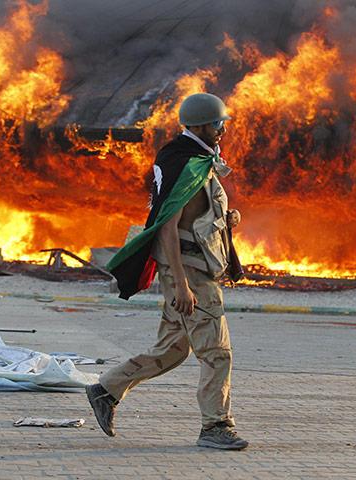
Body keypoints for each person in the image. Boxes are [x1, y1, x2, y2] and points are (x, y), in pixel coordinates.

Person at [85, 93, 248, 451]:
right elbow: (167, 226)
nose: (222, 130)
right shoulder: (184, 163)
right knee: (217, 353)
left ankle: (106, 390)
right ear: (200, 125)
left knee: (173, 351)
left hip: (196, 266)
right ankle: (216, 426)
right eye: (217, 124)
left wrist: (227, 220)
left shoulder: (199, 160)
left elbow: (199, 213)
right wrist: (182, 285)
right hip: (189, 272)